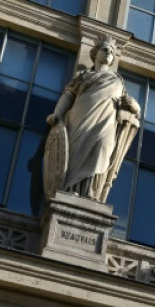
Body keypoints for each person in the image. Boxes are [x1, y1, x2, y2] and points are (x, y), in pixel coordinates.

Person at [46, 35, 140, 202]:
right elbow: (68, 96)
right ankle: (71, 188)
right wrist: (57, 114)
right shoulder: (84, 76)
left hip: (106, 124)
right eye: (105, 49)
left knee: (102, 149)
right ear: (95, 53)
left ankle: (91, 193)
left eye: (111, 52)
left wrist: (135, 106)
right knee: (77, 154)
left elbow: (130, 109)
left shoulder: (117, 80)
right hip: (81, 118)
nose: (108, 53)